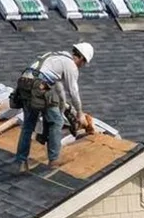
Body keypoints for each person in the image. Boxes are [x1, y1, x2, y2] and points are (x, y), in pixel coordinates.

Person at [13, 42, 95, 172]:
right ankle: (54, 160)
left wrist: (62, 110)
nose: (82, 66)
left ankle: (21, 162)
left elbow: (60, 93)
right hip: (38, 86)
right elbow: (73, 92)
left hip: (24, 84)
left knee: (29, 125)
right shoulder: (70, 65)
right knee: (56, 121)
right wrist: (80, 114)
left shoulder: (56, 58)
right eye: (83, 63)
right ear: (81, 58)